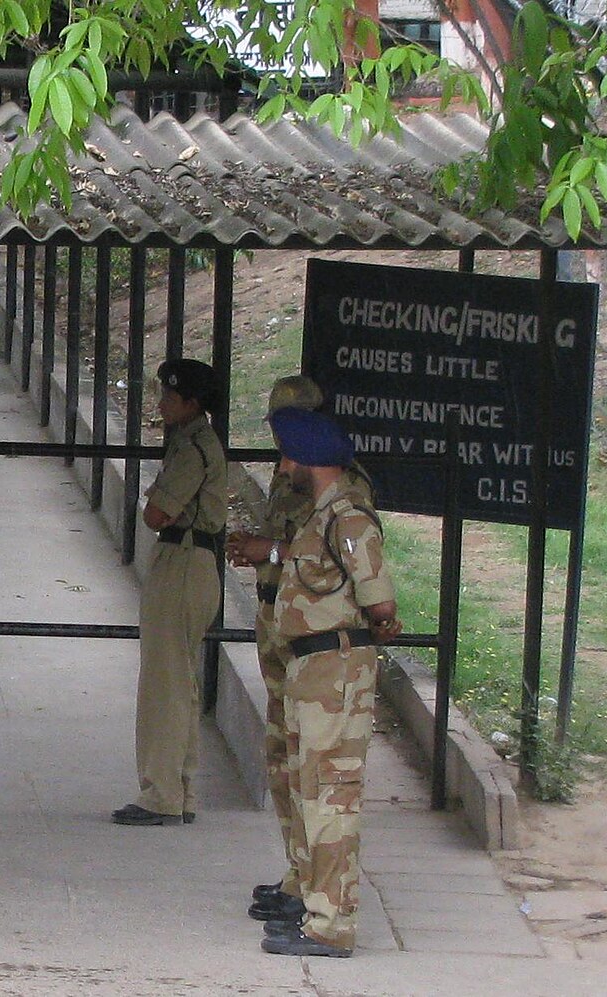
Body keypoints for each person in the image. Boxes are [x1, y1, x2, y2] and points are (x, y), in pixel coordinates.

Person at [251, 407, 401, 958]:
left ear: (308, 457)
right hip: (310, 670)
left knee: (330, 796)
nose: (284, 464)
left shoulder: (348, 518)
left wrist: (377, 623)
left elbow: (378, 599)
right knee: (307, 787)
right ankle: (315, 905)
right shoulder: (323, 516)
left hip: (334, 671)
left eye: (288, 453)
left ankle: (332, 923)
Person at [226, 376, 375, 926]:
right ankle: (299, 875)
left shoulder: (343, 487)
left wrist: (275, 549)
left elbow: (341, 557)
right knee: (285, 759)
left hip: (321, 642)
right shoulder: (290, 474)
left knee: (318, 772)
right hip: (281, 620)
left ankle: (321, 895)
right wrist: (259, 552)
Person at [111, 358, 229, 827]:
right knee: (178, 679)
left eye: (169, 396)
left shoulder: (192, 449)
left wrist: (156, 501)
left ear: (192, 403)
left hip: (183, 560)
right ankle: (179, 789)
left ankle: (161, 793)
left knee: (165, 682)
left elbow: (156, 514)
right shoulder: (190, 443)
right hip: (190, 561)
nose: (161, 403)